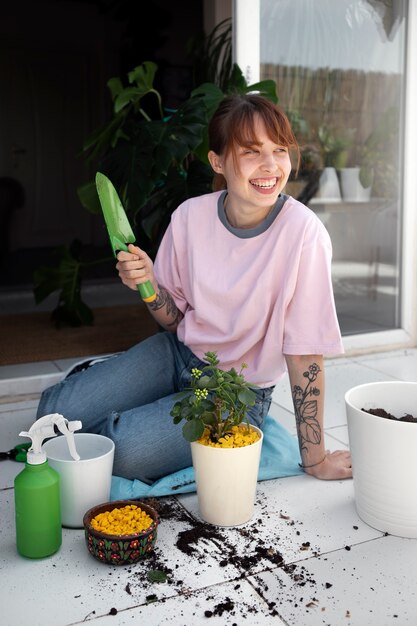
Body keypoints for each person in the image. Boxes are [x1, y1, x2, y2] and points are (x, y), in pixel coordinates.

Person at [37, 94, 352, 483]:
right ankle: (122, 388)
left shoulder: (304, 234)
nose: (271, 166)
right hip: (178, 353)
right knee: (53, 413)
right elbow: (175, 321)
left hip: (236, 391)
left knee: (123, 454)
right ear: (217, 161)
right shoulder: (190, 217)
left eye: (280, 150)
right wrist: (149, 285)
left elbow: (305, 354)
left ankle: (139, 410)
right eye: (252, 152)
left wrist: (315, 459)